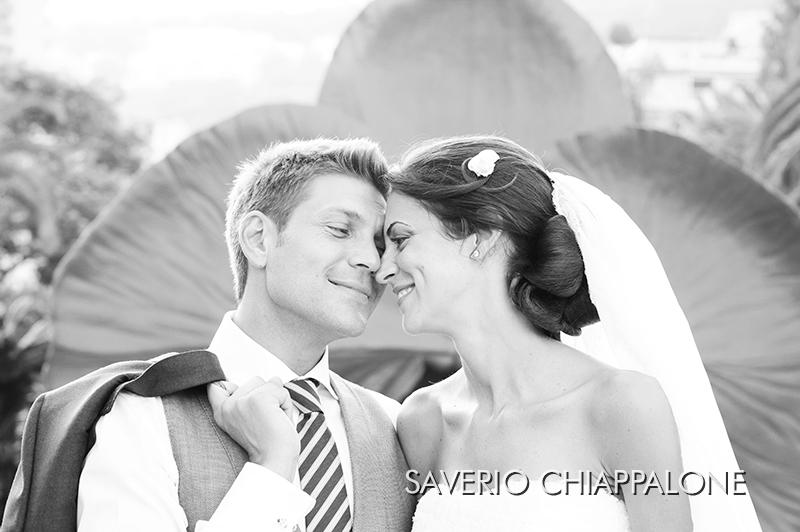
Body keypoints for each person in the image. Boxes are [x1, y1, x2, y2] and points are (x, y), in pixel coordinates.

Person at [376, 135, 763, 531]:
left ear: (480, 238)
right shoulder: (422, 421)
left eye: (400, 240)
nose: (383, 269)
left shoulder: (620, 405)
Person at [76, 138, 415, 531]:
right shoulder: (141, 418)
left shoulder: (397, 424)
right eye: (340, 230)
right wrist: (270, 468)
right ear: (258, 239)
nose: (372, 261)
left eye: (380, 244)